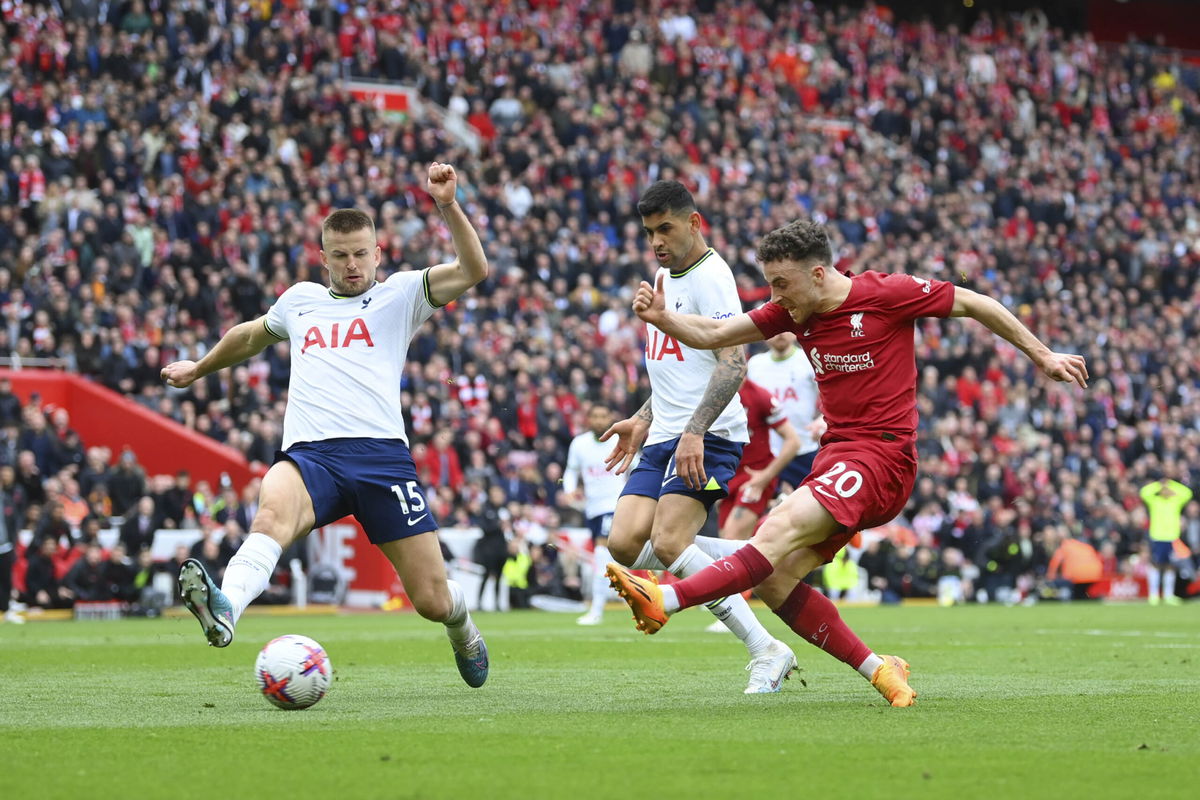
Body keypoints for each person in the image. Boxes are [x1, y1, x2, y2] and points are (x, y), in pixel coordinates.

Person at [608, 218, 1089, 706]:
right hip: (837, 456)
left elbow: (974, 302)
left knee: (775, 531)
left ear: (818, 274)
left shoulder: (886, 293)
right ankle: (880, 670)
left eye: (782, 283)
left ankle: (664, 599)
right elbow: (717, 333)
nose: (776, 295)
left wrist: (1042, 354)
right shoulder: (793, 312)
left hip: (883, 456)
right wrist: (663, 319)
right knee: (775, 576)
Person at [161, 162, 492, 688]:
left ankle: (462, 626)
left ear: (378, 253)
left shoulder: (401, 294)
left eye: (361, 253)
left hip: (382, 458)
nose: (352, 264)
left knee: (431, 600)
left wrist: (447, 205)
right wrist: (199, 367)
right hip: (311, 455)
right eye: (340, 255)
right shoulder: (301, 301)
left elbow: (474, 270)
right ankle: (227, 610)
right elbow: (249, 335)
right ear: (323, 258)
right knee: (271, 514)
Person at [599, 180, 798, 694]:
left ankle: (766, 650)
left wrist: (694, 431)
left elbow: (734, 362)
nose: (656, 241)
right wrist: (642, 417)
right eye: (648, 232)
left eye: (665, 228)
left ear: (695, 222)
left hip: (711, 437)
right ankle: (739, 556)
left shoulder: (713, 277)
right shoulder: (665, 275)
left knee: (669, 541)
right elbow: (675, 367)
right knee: (623, 543)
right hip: (665, 432)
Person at [563, 402, 629, 625]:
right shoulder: (579, 444)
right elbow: (570, 471)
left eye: (604, 416)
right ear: (588, 419)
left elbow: (637, 465)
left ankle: (597, 610)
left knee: (601, 554)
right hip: (592, 509)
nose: (600, 420)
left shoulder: (620, 440)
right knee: (613, 557)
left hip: (615, 506)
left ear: (610, 417)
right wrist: (569, 490)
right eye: (596, 416)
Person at [746, 332, 821, 492]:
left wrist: (822, 419)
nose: (779, 333)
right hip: (768, 453)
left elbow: (831, 396)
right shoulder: (755, 364)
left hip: (804, 448)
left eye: (785, 328)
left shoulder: (809, 360)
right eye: (775, 328)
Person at [1139, 474, 1193, 606]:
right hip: (1157, 537)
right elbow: (1143, 492)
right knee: (1156, 565)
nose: (1166, 490)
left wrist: (1171, 484)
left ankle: (1168, 595)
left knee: (1171, 566)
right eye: (1164, 489)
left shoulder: (1175, 501)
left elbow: (1188, 493)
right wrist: (1159, 484)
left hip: (1172, 538)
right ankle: (1153, 596)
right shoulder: (1155, 501)